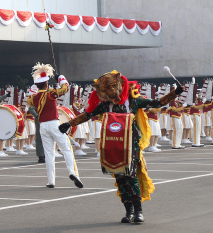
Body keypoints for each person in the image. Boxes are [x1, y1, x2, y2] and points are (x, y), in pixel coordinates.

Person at [60, 71, 181, 223]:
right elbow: (88, 114)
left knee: (130, 176)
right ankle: (128, 210)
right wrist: (68, 123)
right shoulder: (105, 105)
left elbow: (157, 103)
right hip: (113, 146)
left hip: (131, 145)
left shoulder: (134, 101)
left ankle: (138, 211)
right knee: (120, 178)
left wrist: (175, 93)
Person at [27, 63, 83, 189]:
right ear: (47, 83)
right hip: (54, 123)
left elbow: (28, 99)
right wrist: (60, 77)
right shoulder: (50, 94)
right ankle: (73, 173)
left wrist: (34, 88)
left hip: (43, 126)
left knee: (49, 153)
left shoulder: (34, 98)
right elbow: (65, 88)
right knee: (66, 149)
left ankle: (51, 181)